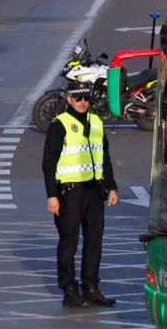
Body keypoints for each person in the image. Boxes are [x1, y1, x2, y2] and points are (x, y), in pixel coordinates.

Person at [41, 84, 118, 308]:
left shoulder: (96, 122)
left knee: (94, 241)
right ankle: (69, 290)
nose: (83, 102)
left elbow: (104, 158)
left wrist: (112, 187)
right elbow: (48, 164)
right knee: (69, 241)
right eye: (78, 98)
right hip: (70, 192)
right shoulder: (59, 125)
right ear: (69, 99)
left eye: (86, 98)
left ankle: (91, 287)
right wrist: (52, 196)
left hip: (94, 191)